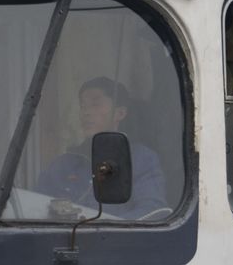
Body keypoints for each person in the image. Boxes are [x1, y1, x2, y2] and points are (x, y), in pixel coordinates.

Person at [36, 77, 167, 220]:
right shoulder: (64, 164)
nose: (86, 112)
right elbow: (36, 207)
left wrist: (103, 227)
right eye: (83, 106)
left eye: (95, 104)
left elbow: (152, 211)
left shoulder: (141, 159)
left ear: (120, 113)